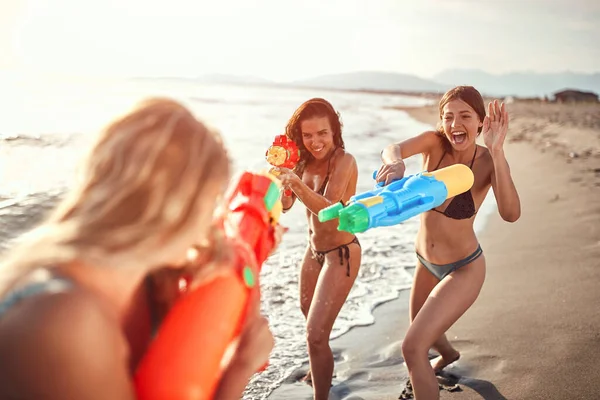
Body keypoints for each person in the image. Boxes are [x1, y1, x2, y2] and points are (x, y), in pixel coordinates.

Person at [0, 98, 279, 400]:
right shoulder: (67, 320)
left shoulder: (148, 282)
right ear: (172, 209)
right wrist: (239, 367)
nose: (210, 225)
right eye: (209, 203)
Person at [376, 86, 521, 399]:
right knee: (428, 338)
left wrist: (497, 152)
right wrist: (397, 162)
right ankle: (449, 356)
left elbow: (511, 213)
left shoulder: (487, 161)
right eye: (448, 117)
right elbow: (392, 148)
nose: (456, 123)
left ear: (481, 122)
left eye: (465, 116)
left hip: (464, 268)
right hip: (424, 262)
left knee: (413, 347)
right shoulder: (433, 144)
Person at [272, 98, 362, 400]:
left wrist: (295, 184)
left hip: (342, 254)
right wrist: (280, 180)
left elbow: (330, 210)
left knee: (315, 335)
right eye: (308, 135)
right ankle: (317, 368)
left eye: (322, 133)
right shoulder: (302, 161)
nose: (315, 142)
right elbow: (285, 206)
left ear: (334, 131)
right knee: (308, 316)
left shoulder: (344, 161)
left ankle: (321, 396)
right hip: (313, 253)